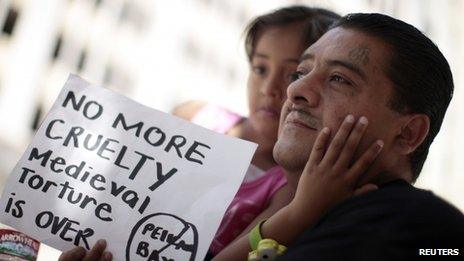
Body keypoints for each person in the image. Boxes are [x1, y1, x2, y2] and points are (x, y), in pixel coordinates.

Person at [60, 12, 464, 261]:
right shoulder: (310, 219)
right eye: (302, 72)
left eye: (339, 79)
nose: (294, 90)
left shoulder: (423, 233)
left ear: (409, 132)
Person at [173, 6, 340, 258]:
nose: (268, 88)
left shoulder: (293, 186)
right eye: (260, 69)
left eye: (295, 74)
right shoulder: (195, 118)